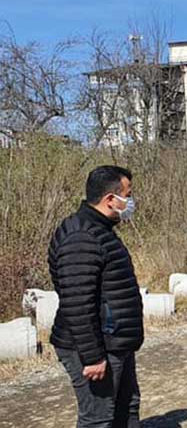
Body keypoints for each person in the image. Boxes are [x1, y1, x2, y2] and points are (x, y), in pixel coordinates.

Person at [48, 165, 144, 428]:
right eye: (128, 194)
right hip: (95, 346)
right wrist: (92, 357)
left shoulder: (100, 229)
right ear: (110, 199)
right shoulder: (81, 236)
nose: (131, 201)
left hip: (115, 341)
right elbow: (77, 301)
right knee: (98, 419)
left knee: (128, 407)